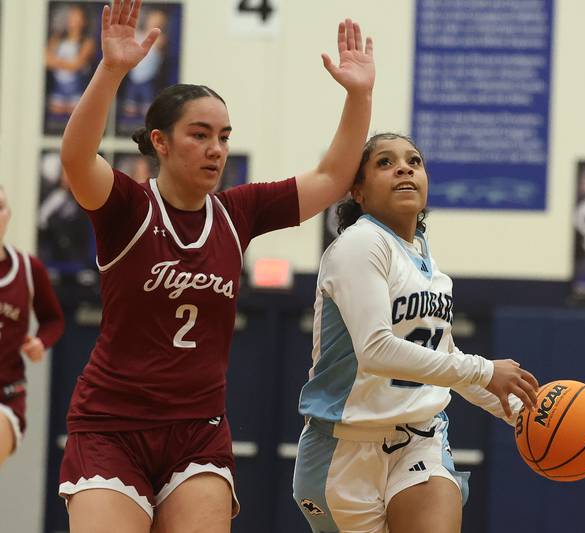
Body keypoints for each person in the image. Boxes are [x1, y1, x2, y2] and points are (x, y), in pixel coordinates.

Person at [56, 1, 374, 532]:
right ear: (159, 141)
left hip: (196, 430)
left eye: (223, 137)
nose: (215, 149)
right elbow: (76, 158)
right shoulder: (127, 207)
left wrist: (359, 95)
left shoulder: (238, 212)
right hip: (111, 425)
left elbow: (332, 177)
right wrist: (111, 70)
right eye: (199, 134)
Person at [293, 133, 539, 533]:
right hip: (344, 450)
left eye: (414, 161)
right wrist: (484, 370)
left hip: (420, 437)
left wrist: (518, 411)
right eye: (385, 163)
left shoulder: (425, 258)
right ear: (358, 190)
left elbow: (442, 357)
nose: (404, 168)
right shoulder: (360, 245)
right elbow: (377, 350)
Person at [0, 185, 65, 467]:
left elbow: (53, 319)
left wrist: (40, 342)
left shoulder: (29, 268)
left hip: (6, 395)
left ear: (9, 214)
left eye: (0, 207)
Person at [45, 3, 96, 117]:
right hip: (58, 89)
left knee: (74, 120)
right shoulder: (57, 38)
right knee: (56, 120)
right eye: (71, 16)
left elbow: (76, 65)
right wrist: (68, 64)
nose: (73, 20)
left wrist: (57, 62)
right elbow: (46, 60)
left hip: (76, 90)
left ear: (84, 20)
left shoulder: (87, 42)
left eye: (77, 17)